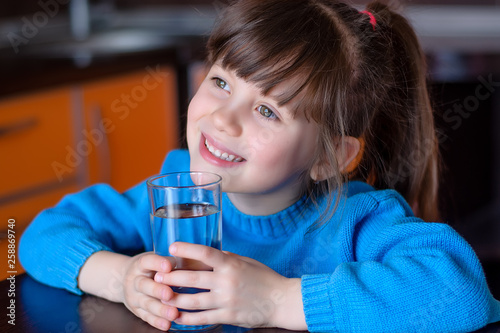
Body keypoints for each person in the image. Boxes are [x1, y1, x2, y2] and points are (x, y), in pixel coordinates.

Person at [19, 0, 500, 332]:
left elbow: (462, 292)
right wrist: (120, 279)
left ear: (330, 156)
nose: (223, 120)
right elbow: (37, 236)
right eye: (222, 83)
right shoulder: (175, 197)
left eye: (268, 111)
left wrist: (276, 300)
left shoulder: (356, 220)